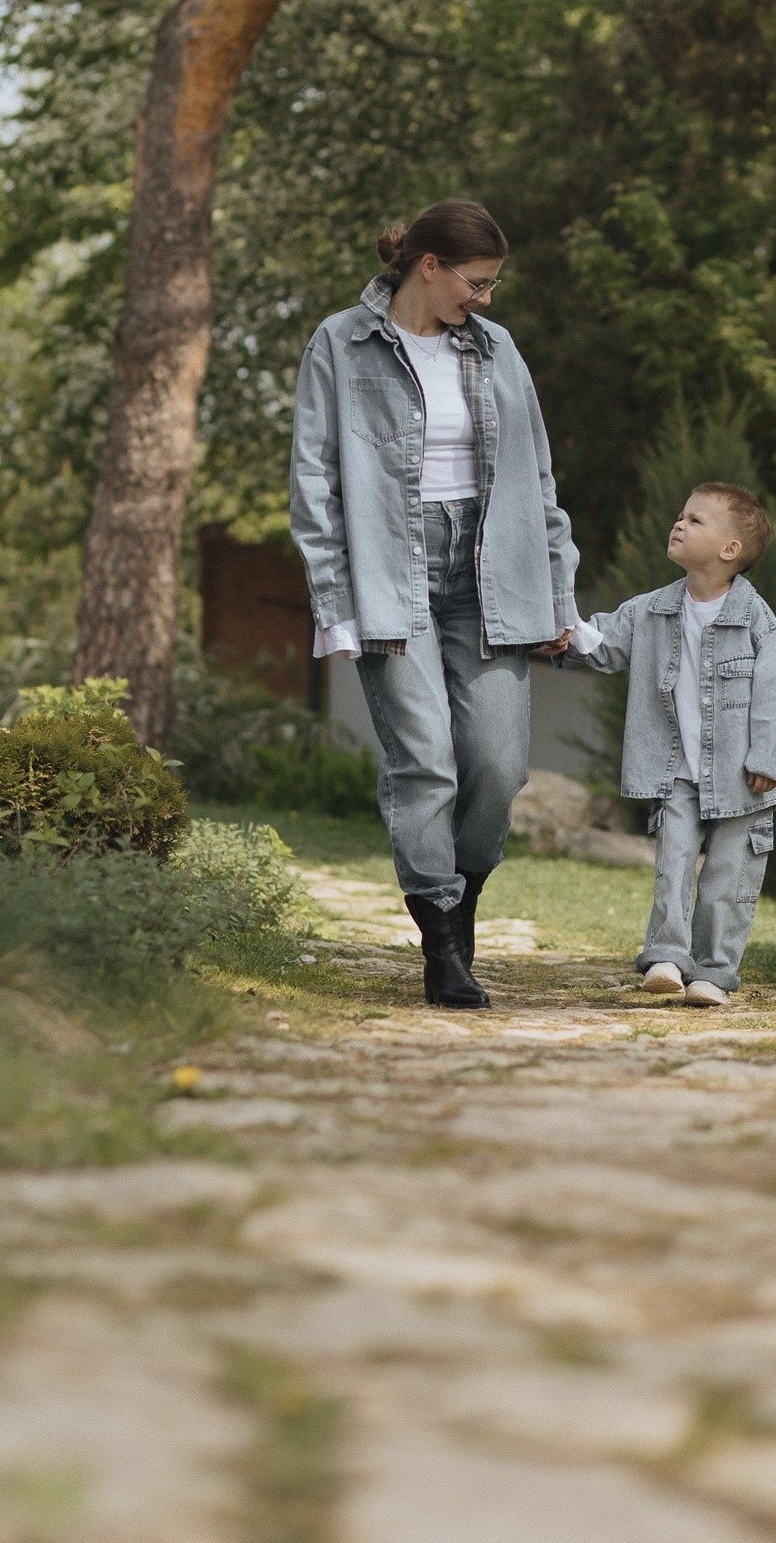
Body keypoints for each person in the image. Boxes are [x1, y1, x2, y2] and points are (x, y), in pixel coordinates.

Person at [290, 199, 579, 1010]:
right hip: (391, 571)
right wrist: (335, 602)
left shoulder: (497, 349)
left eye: (490, 287)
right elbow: (314, 482)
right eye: (475, 283)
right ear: (429, 266)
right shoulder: (340, 343)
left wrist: (558, 591)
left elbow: (539, 478)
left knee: (498, 765)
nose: (482, 299)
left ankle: (462, 899)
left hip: (493, 572)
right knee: (424, 760)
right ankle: (442, 942)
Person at [553, 483, 776, 1006]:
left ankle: (714, 973)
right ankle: (666, 957)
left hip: (742, 777)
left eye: (695, 520)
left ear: (729, 550)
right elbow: (602, 643)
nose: (679, 524)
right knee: (674, 863)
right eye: (681, 516)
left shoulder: (755, 618)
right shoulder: (651, 610)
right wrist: (563, 632)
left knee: (729, 876)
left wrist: (769, 759)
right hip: (675, 772)